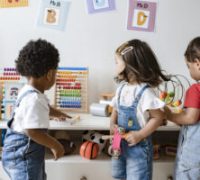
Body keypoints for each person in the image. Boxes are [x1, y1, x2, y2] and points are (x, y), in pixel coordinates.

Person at [2, 39, 71, 180]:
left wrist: (59, 114)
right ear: (50, 74)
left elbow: (45, 108)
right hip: (23, 157)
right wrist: (56, 145)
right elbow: (32, 131)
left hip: (21, 154)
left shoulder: (29, 91)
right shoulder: (35, 99)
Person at [110, 39, 168, 180]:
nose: (115, 66)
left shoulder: (145, 92)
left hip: (138, 147)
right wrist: (112, 124)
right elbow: (115, 110)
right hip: (119, 143)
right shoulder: (121, 88)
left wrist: (140, 135)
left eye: (117, 62)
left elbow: (158, 117)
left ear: (129, 65)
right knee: (118, 175)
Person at [165, 37, 200, 180]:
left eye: (188, 66)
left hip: (193, 160)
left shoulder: (196, 89)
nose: (189, 71)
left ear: (197, 64)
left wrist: (167, 114)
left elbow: (190, 118)